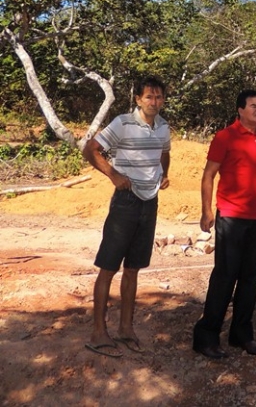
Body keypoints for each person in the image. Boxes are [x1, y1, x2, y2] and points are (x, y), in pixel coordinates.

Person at [193, 89, 256, 359]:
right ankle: (206, 337)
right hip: (232, 218)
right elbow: (209, 175)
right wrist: (206, 211)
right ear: (240, 110)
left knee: (251, 278)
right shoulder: (225, 137)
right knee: (225, 277)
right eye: (253, 105)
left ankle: (241, 335)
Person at [84, 74, 171, 357]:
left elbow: (164, 152)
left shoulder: (163, 127)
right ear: (138, 99)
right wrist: (113, 174)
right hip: (125, 202)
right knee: (108, 267)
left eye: (158, 97)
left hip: (149, 203)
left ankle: (125, 329)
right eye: (149, 97)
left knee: (133, 268)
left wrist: (163, 174)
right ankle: (99, 333)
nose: (154, 102)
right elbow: (91, 149)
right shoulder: (122, 123)